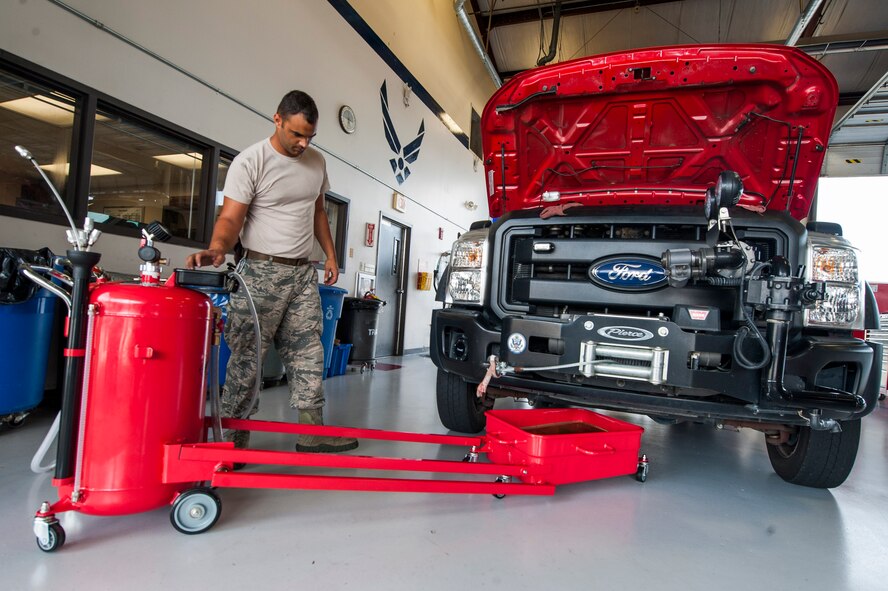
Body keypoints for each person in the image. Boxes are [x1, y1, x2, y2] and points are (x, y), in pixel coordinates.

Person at [186, 90, 357, 453]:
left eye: (309, 136)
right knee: (248, 359)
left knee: (309, 353)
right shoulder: (251, 161)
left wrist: (330, 255)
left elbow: (318, 212)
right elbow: (231, 217)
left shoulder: (316, 162)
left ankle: (312, 433)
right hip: (260, 274)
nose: (302, 143)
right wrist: (218, 247)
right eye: (296, 134)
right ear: (277, 119)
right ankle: (232, 441)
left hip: (301, 276)